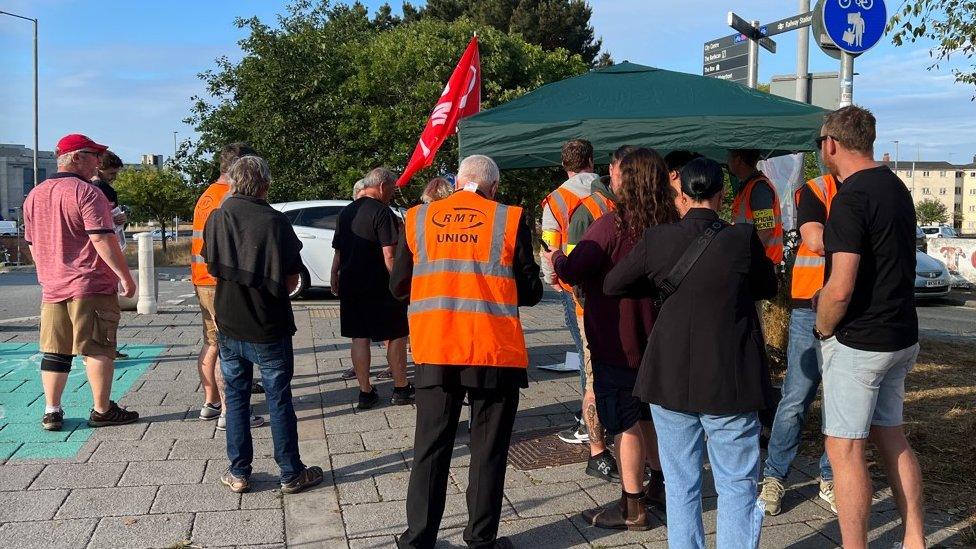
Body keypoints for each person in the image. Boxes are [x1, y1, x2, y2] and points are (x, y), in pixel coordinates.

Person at [605, 157, 777, 549]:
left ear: (680, 194)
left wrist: (662, 290)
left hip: (670, 378)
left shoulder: (656, 239)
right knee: (737, 485)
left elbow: (614, 284)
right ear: (721, 195)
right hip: (729, 381)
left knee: (682, 484)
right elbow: (766, 287)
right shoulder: (741, 239)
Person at [391, 154, 542, 549]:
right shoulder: (507, 218)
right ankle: (480, 540)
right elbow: (529, 291)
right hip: (491, 349)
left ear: (458, 182)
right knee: (488, 449)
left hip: (436, 346)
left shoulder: (418, 218)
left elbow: (398, 286)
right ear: (492, 187)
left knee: (430, 447)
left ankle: (418, 539)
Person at [544, 148, 673, 530]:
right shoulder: (671, 223)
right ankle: (660, 485)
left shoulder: (612, 225)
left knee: (624, 423)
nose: (610, 176)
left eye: (616, 171)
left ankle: (632, 506)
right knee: (652, 415)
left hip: (618, 340)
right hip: (661, 339)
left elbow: (576, 265)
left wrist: (556, 257)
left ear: (627, 179)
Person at [814, 105, 924, 549]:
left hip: (860, 342)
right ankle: (915, 538)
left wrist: (823, 329)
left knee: (845, 450)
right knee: (891, 435)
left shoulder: (850, 197)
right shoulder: (896, 188)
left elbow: (841, 287)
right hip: (901, 334)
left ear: (832, 144)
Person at [202, 155, 323, 495]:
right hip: (268, 323)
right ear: (265, 184)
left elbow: (212, 268)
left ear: (233, 183)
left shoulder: (218, 217)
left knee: (237, 397)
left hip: (228, 319)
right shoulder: (275, 221)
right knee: (279, 398)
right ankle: (290, 472)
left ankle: (239, 472)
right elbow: (291, 277)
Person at [24, 134, 139, 431]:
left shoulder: (35, 194)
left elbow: (33, 244)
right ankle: (102, 410)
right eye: (94, 155)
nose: (99, 162)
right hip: (89, 283)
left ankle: (52, 410)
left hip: (53, 286)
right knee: (99, 347)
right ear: (76, 157)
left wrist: (46, 273)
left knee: (55, 349)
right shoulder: (88, 193)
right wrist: (125, 277)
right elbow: (101, 237)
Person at [759, 169, 839, 515]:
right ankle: (775, 476)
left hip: (849, 307)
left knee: (840, 404)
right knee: (795, 397)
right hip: (809, 305)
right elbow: (816, 238)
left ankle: (830, 476)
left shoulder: (866, 188)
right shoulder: (817, 189)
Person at [543, 139, 616, 483]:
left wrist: (553, 278)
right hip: (615, 285)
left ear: (565, 165)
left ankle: (590, 426)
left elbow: (549, 245)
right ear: (591, 160)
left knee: (587, 356)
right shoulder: (611, 192)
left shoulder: (555, 200)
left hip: (578, 292)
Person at [190, 143, 264, 430]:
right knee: (228, 348)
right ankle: (231, 413)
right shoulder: (229, 200)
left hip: (202, 279)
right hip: (221, 282)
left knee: (212, 342)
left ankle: (211, 403)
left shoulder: (207, 196)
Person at [331, 167, 415, 409]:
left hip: (351, 282)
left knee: (359, 337)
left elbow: (339, 249)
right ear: (381, 186)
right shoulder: (382, 212)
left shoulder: (346, 212)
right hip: (380, 285)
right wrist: (399, 283)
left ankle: (365, 392)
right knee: (396, 334)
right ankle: (401, 389)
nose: (391, 193)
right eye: (391, 188)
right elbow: (389, 254)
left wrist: (334, 274)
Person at [90, 150, 131, 360]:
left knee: (104, 303)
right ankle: (104, 348)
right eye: (111, 172)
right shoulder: (98, 188)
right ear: (99, 168)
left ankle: (104, 346)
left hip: (106, 246)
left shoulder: (98, 187)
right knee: (106, 304)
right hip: (105, 252)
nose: (113, 176)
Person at [727, 149, 784, 265]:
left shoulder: (759, 188)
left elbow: (765, 230)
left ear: (738, 160)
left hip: (760, 264)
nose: (727, 162)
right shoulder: (749, 186)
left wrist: (745, 256)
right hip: (757, 261)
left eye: (729, 158)